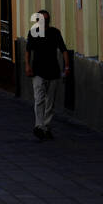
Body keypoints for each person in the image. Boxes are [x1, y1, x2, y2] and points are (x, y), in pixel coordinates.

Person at [25, 8, 69, 140]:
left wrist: (67, 67)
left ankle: (46, 126)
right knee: (39, 99)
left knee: (50, 102)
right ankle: (39, 126)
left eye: (47, 20)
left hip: (53, 71)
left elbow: (64, 50)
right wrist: (27, 65)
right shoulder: (33, 33)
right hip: (38, 71)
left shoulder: (55, 33)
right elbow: (28, 50)